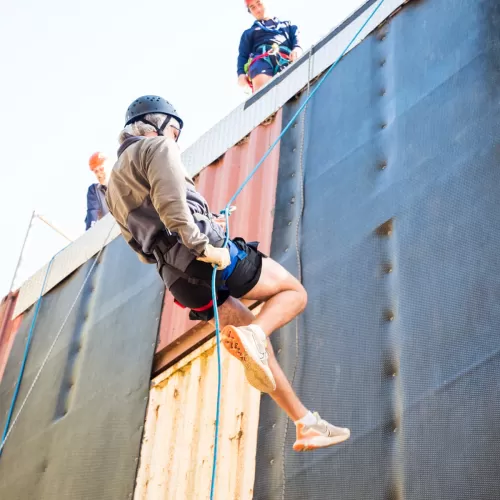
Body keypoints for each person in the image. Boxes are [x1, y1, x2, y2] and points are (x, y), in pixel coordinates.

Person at [105, 95, 350, 451]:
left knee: (256, 348)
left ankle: (304, 423)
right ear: (155, 122)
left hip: (178, 280)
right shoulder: (156, 147)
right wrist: (205, 244)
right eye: (173, 128)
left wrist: (196, 226)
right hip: (205, 256)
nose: (175, 138)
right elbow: (174, 207)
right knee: (292, 293)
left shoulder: (113, 189)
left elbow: (142, 249)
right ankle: (257, 334)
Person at [237, 0, 303, 93]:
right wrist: (241, 74)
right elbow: (243, 56)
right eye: (253, 7)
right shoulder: (249, 33)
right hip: (261, 61)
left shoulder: (288, 26)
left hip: (285, 60)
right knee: (265, 94)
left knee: (290, 94)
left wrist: (297, 50)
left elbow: (297, 43)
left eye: (259, 3)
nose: (258, 9)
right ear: (250, 11)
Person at [85, 151, 110, 230]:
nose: (99, 174)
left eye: (101, 169)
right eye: (96, 171)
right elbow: (92, 213)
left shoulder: (122, 182)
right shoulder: (94, 191)